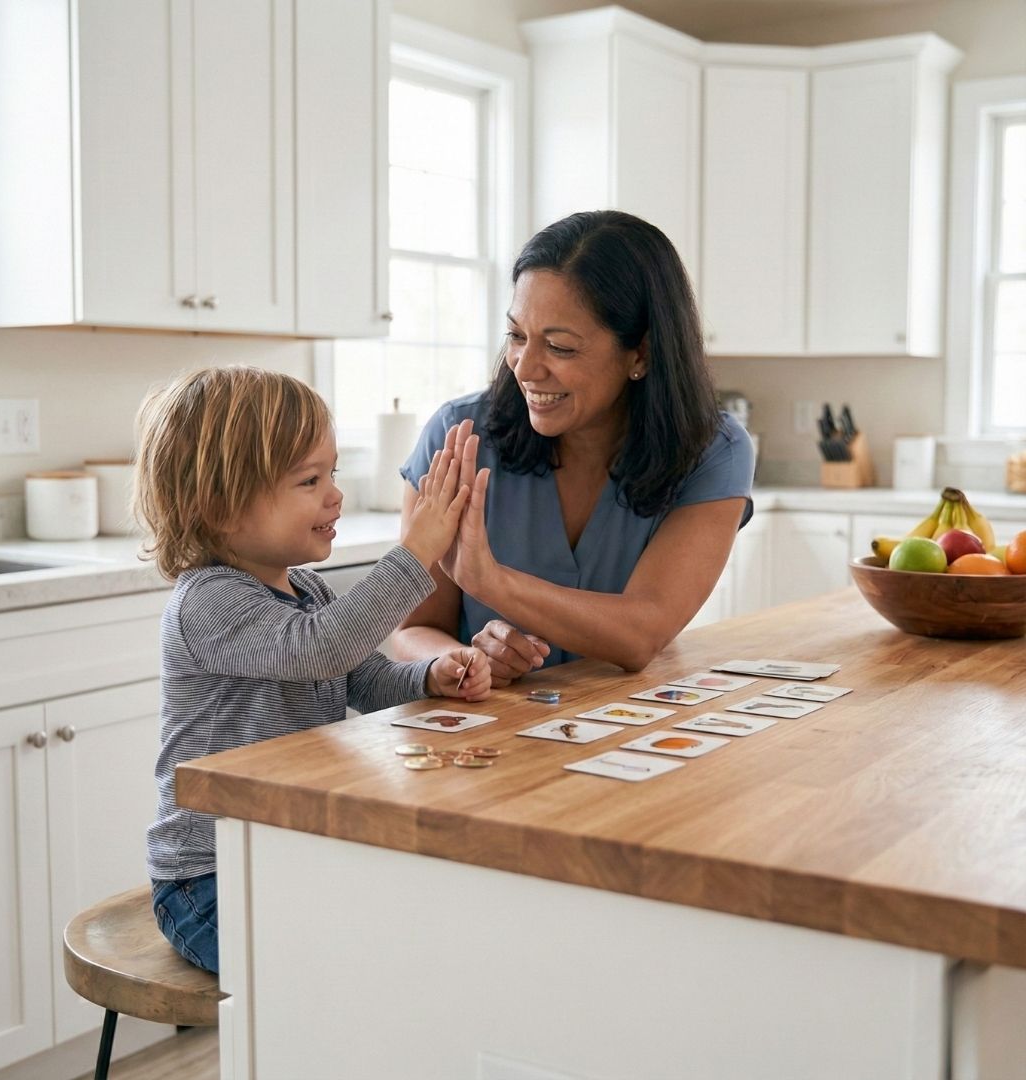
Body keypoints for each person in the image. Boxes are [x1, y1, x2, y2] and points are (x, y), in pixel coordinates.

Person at [133, 366, 490, 974]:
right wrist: (416, 553)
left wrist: (429, 676)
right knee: (330, 973)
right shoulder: (208, 601)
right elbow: (324, 649)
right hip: (210, 875)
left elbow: (358, 677)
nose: (335, 495)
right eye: (308, 479)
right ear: (220, 506)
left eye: (333, 474)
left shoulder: (307, 591)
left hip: (284, 847)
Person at [391, 210, 754, 685]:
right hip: (485, 732)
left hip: (628, 731)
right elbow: (413, 629)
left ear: (640, 354)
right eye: (517, 336)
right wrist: (462, 663)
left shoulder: (713, 450)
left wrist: (491, 582)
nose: (524, 368)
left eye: (559, 347)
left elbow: (641, 633)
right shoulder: (458, 434)